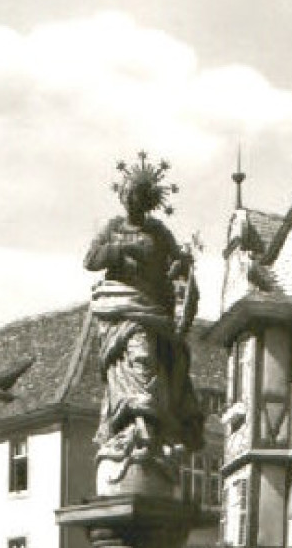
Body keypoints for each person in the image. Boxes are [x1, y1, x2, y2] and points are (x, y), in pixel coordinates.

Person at [84, 153, 203, 479]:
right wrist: (122, 249)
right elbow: (91, 260)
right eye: (126, 195)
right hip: (120, 307)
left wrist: (183, 265)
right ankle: (134, 427)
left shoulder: (160, 233)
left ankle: (149, 427)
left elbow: (176, 268)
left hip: (152, 309)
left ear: (147, 200)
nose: (130, 201)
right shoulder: (112, 228)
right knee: (135, 362)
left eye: (136, 197)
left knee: (157, 363)